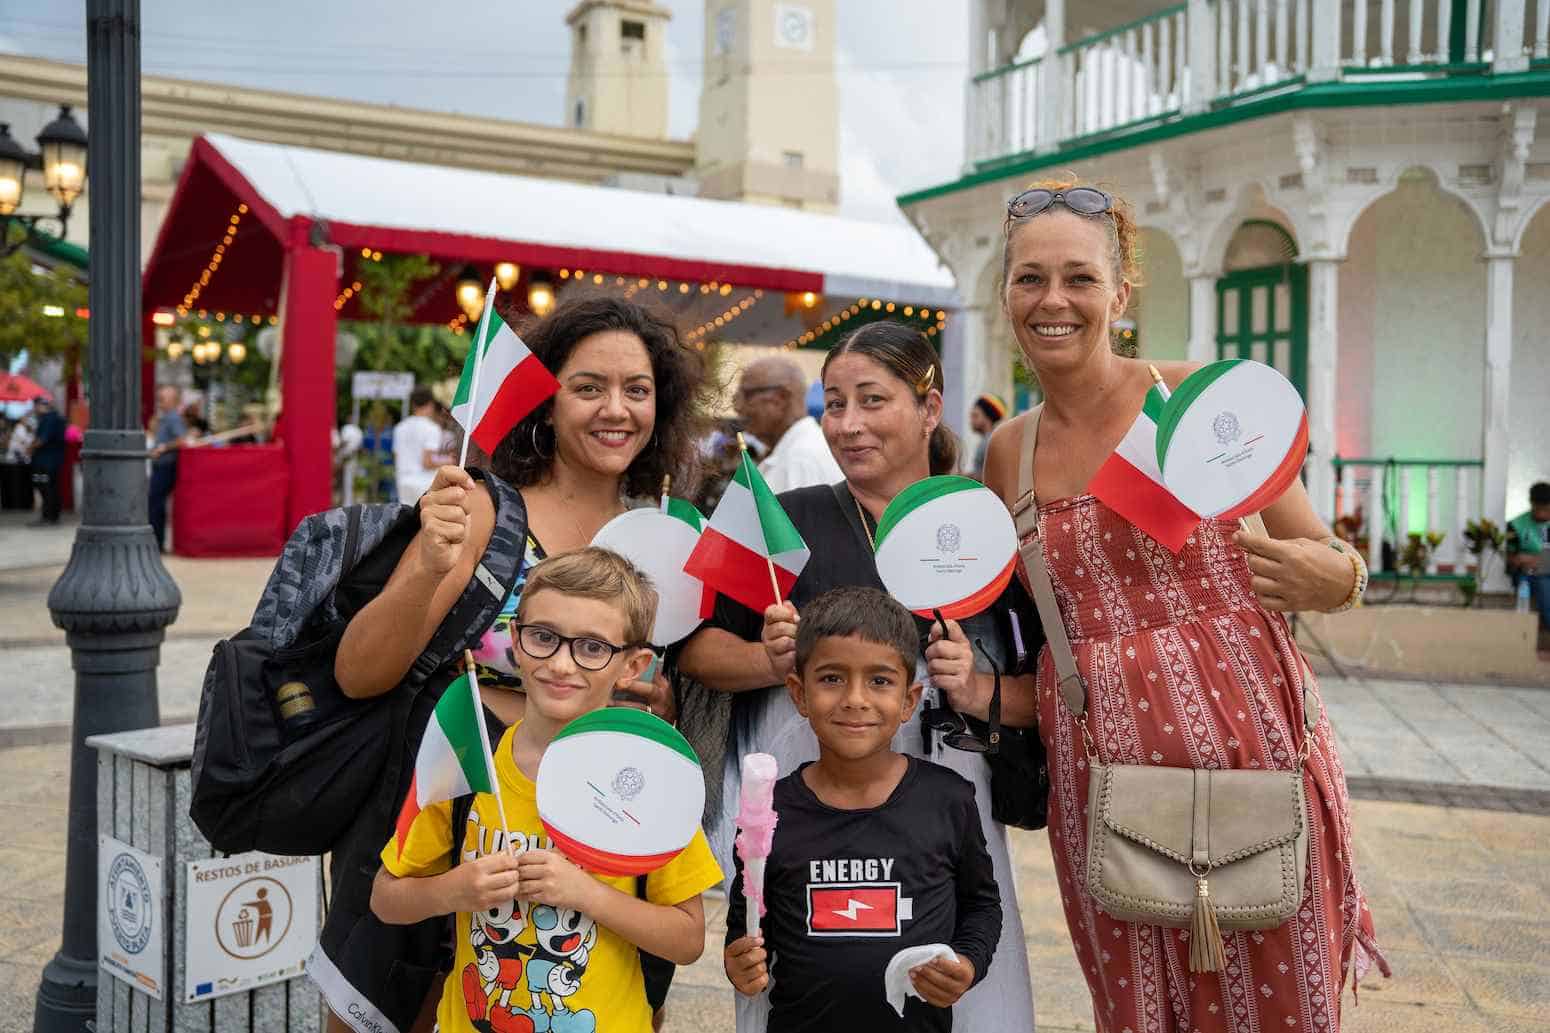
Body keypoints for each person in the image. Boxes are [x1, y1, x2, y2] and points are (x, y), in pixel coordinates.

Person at [978, 178, 1386, 1033]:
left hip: (1253, 758)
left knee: (1280, 1006)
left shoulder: (1198, 399)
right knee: (1136, 1012)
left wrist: (1331, 577)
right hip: (1103, 780)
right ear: (1006, 294)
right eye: (1029, 279)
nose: (1053, 300)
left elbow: (1330, 558)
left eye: (1079, 278)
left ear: (1121, 292)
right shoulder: (1007, 451)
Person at [318, 297, 710, 1033]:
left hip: (607, 838)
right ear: (545, 398)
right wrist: (429, 563)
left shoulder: (667, 530)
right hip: (458, 819)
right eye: (588, 386)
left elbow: (683, 677)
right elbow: (359, 672)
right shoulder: (487, 514)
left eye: (637, 388)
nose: (615, 409)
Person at [678, 320, 1037, 1032]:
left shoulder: (980, 526)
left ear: (929, 408)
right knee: (800, 972)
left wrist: (974, 688)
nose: (848, 424)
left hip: (950, 792)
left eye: (872, 400)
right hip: (810, 791)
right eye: (834, 403)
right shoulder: (782, 517)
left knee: (960, 970)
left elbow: (1044, 690)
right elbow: (695, 651)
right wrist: (769, 659)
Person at [373, 547, 722, 1033]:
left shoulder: (650, 781)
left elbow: (687, 940)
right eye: (544, 637)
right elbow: (385, 898)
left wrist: (586, 894)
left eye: (593, 647)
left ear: (632, 664)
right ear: (515, 639)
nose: (561, 664)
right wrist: (453, 889)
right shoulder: (468, 765)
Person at [723, 586, 1001, 1032]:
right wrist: (738, 961)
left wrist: (967, 964)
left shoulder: (948, 799)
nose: (855, 698)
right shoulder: (773, 810)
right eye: (832, 678)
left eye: (880, 681)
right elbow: (748, 919)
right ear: (799, 692)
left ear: (909, 701)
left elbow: (982, 906)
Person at [734, 357, 841, 494]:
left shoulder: (800, 460)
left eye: (747, 395)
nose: (739, 407)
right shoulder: (797, 452)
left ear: (781, 398)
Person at [1507, 480, 1550, 651]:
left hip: (1543, 572)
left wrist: (1533, 559)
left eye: (1546, 509)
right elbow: (1511, 557)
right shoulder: (1517, 525)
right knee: (1529, 582)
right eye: (1538, 508)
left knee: (1541, 580)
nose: (1542, 514)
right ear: (1531, 504)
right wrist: (1522, 560)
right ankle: (1523, 633)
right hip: (1525, 574)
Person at [393, 387, 450, 504]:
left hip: (403, 480)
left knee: (406, 518)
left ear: (413, 405)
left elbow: (396, 455)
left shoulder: (400, 427)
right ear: (431, 404)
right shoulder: (432, 428)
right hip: (424, 482)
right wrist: (449, 460)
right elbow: (427, 462)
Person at [147, 385, 185, 551]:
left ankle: (157, 542)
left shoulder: (173, 418)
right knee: (155, 503)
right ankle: (157, 541)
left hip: (165, 465)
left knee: (155, 503)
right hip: (161, 465)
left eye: (162, 399)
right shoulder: (166, 417)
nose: (159, 402)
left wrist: (163, 448)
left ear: (172, 400)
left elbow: (181, 440)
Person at [28, 395, 67, 526]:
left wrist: (29, 449)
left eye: (35, 406)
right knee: (52, 487)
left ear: (40, 405)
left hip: (45, 461)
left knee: (45, 488)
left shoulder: (48, 419)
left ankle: (48, 517)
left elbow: (42, 439)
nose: (34, 409)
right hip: (54, 460)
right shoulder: (57, 418)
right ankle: (53, 516)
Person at [966, 393, 1006, 481]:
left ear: (987, 418)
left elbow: (989, 477)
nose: (971, 420)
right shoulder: (989, 439)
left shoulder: (990, 442)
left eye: (975, 415)